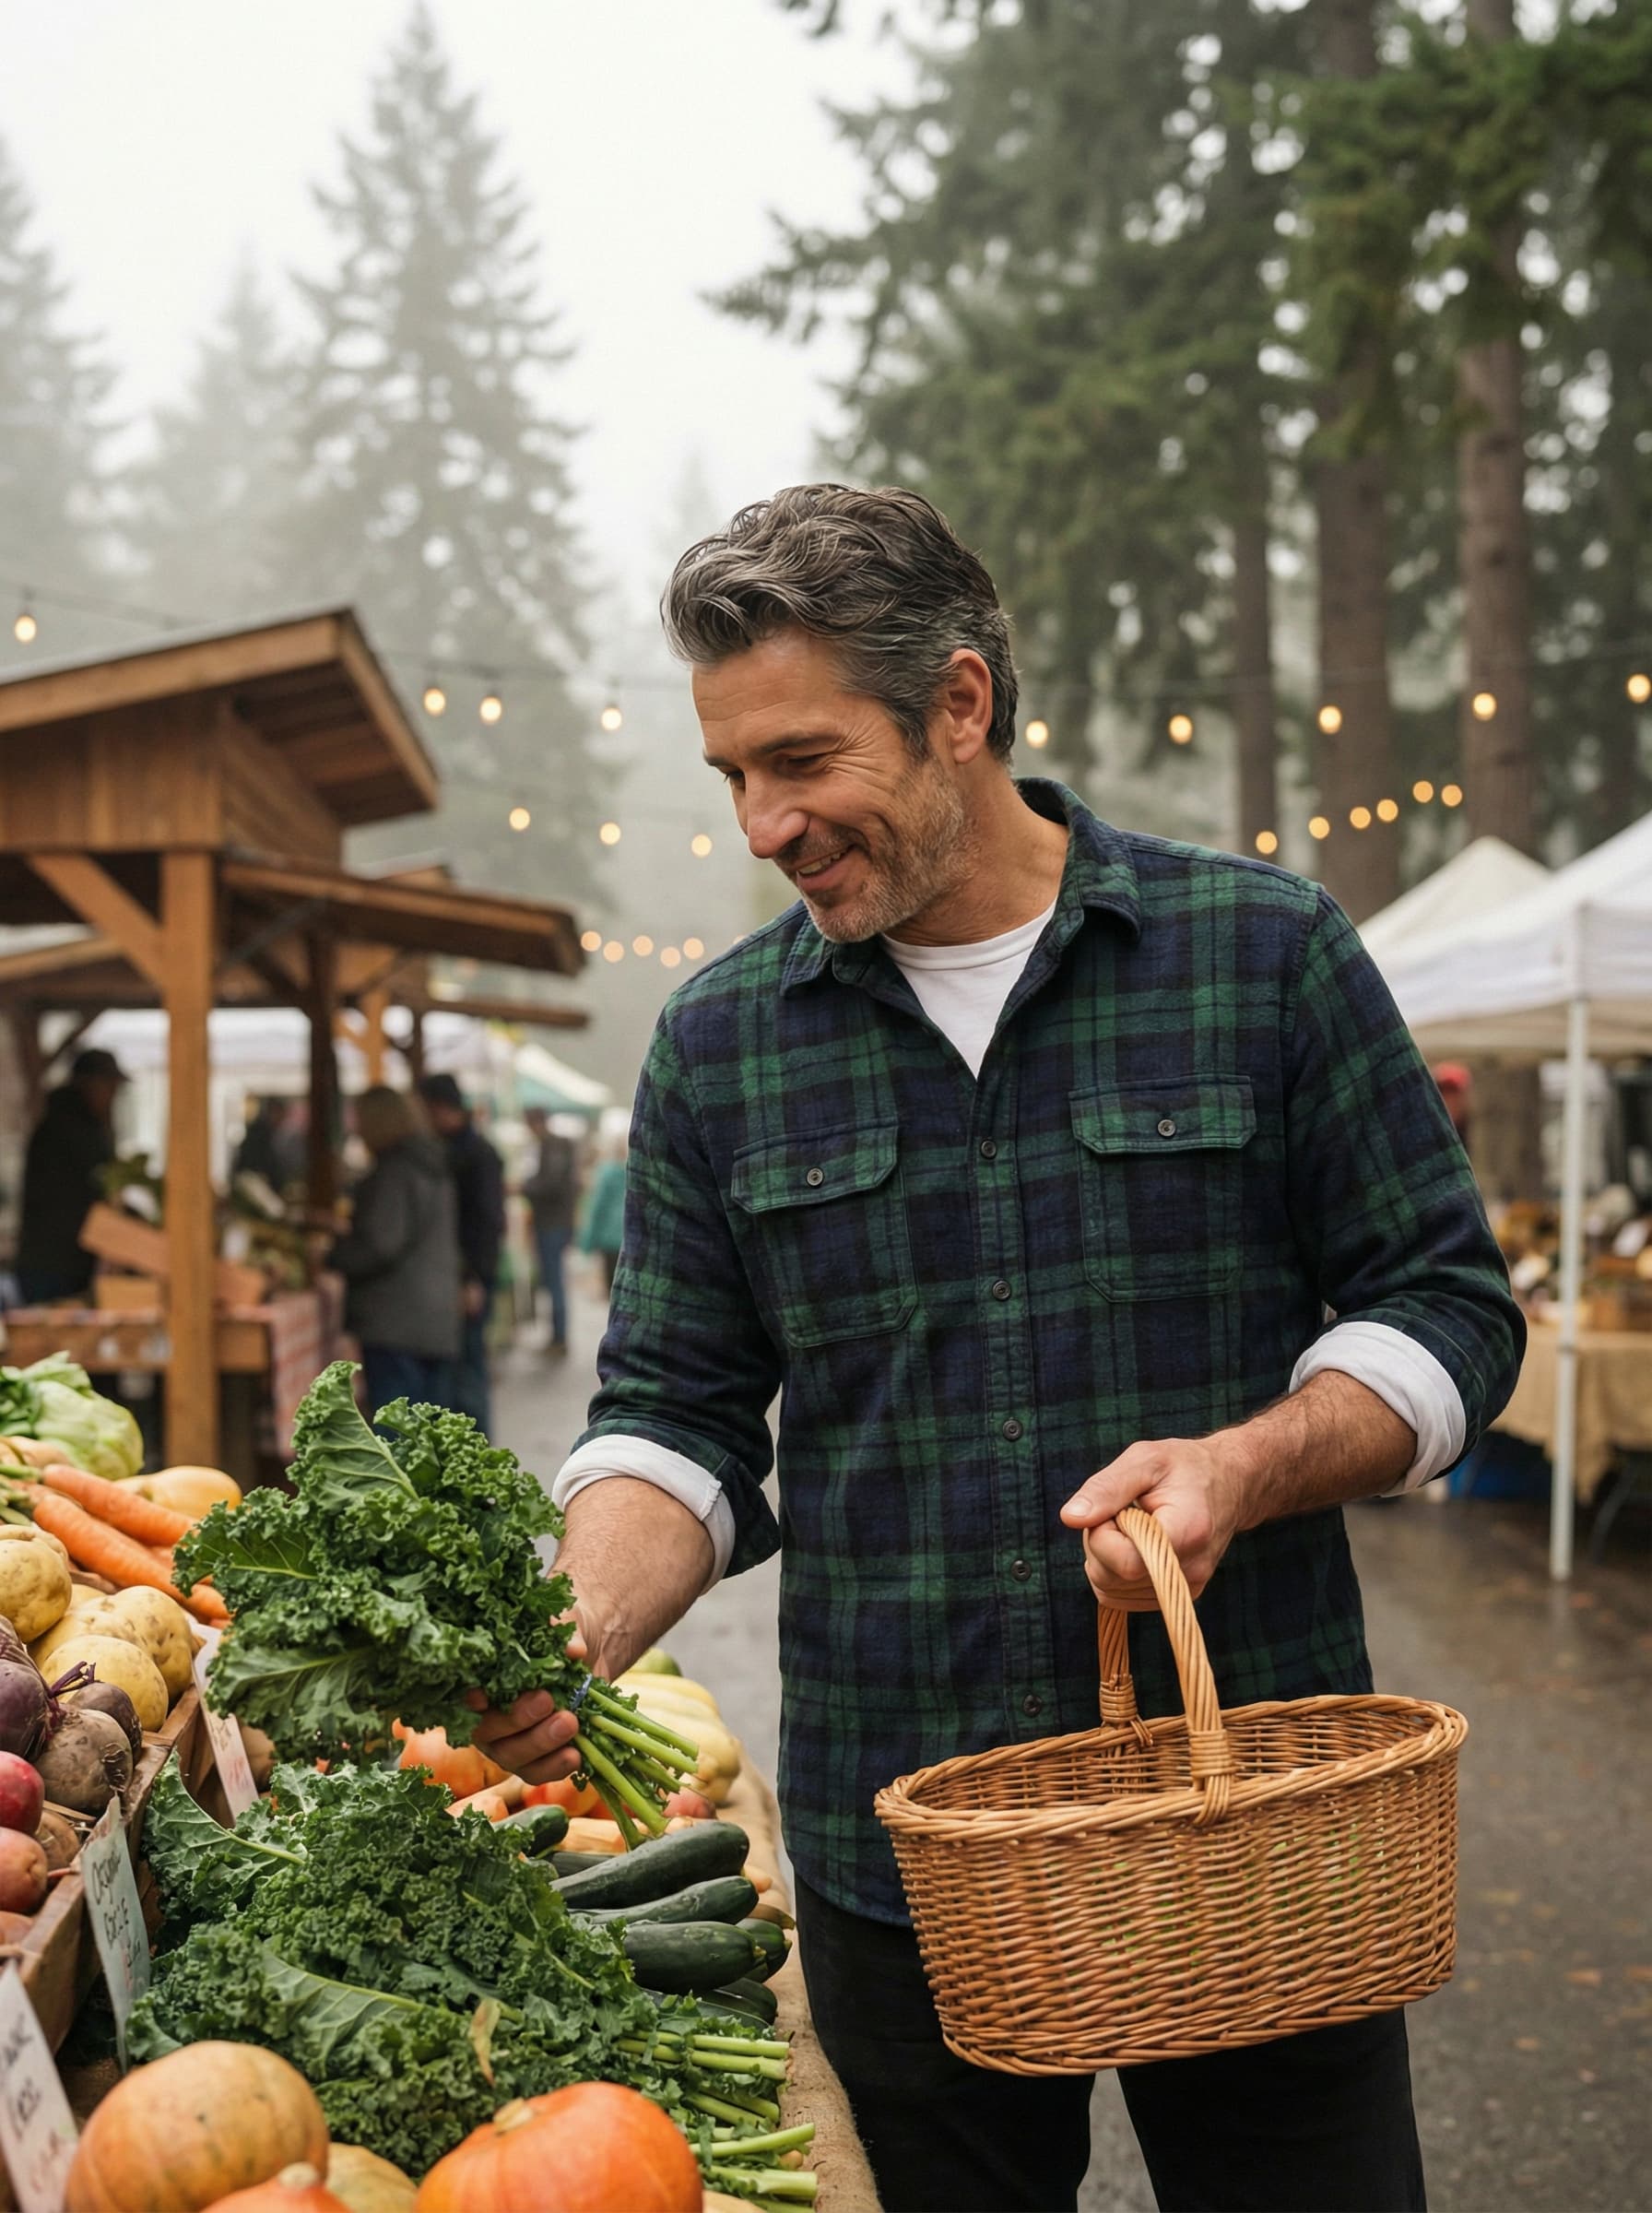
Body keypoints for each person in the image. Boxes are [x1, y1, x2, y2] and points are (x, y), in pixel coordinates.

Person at [473, 485, 1525, 2213]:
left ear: (958, 704)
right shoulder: (719, 1047)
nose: (762, 824)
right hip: (901, 1844)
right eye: (733, 775)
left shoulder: (1260, 955)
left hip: (1243, 1816)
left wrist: (1239, 1465)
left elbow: (1450, 1307)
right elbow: (674, 1418)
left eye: (802, 761)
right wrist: (573, 1624)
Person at [327, 1085, 460, 1417]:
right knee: (430, 1435)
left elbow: (381, 1244)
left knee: (399, 1434)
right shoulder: (432, 1163)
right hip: (436, 1316)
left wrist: (333, 1256)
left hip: (397, 1321)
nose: (356, 1128)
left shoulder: (394, 1171)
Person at [417, 1072, 504, 1432]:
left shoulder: (475, 1155)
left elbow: (484, 1224)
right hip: (460, 1277)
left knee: (468, 1374)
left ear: (438, 1108)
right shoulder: (457, 1149)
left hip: (469, 1278)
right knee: (461, 1373)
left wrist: (472, 1279)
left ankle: (475, 1464)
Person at [15, 1047, 126, 1304]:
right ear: (88, 1084)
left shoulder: (73, 1126)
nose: (112, 1096)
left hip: (61, 1261)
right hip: (54, 1264)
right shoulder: (70, 1131)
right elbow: (85, 1197)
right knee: (51, 1338)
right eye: (109, 1086)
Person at [522, 1106, 579, 1355]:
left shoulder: (553, 1146)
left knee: (554, 1281)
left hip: (552, 1223)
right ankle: (557, 1336)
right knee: (553, 1280)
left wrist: (524, 1187)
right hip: (554, 1222)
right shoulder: (555, 1146)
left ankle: (559, 1338)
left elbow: (551, 1185)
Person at [576, 1137, 627, 1296]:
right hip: (629, 1236)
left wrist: (586, 1243)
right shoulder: (636, 1172)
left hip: (609, 1239)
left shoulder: (605, 1173)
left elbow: (597, 1209)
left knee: (612, 1291)